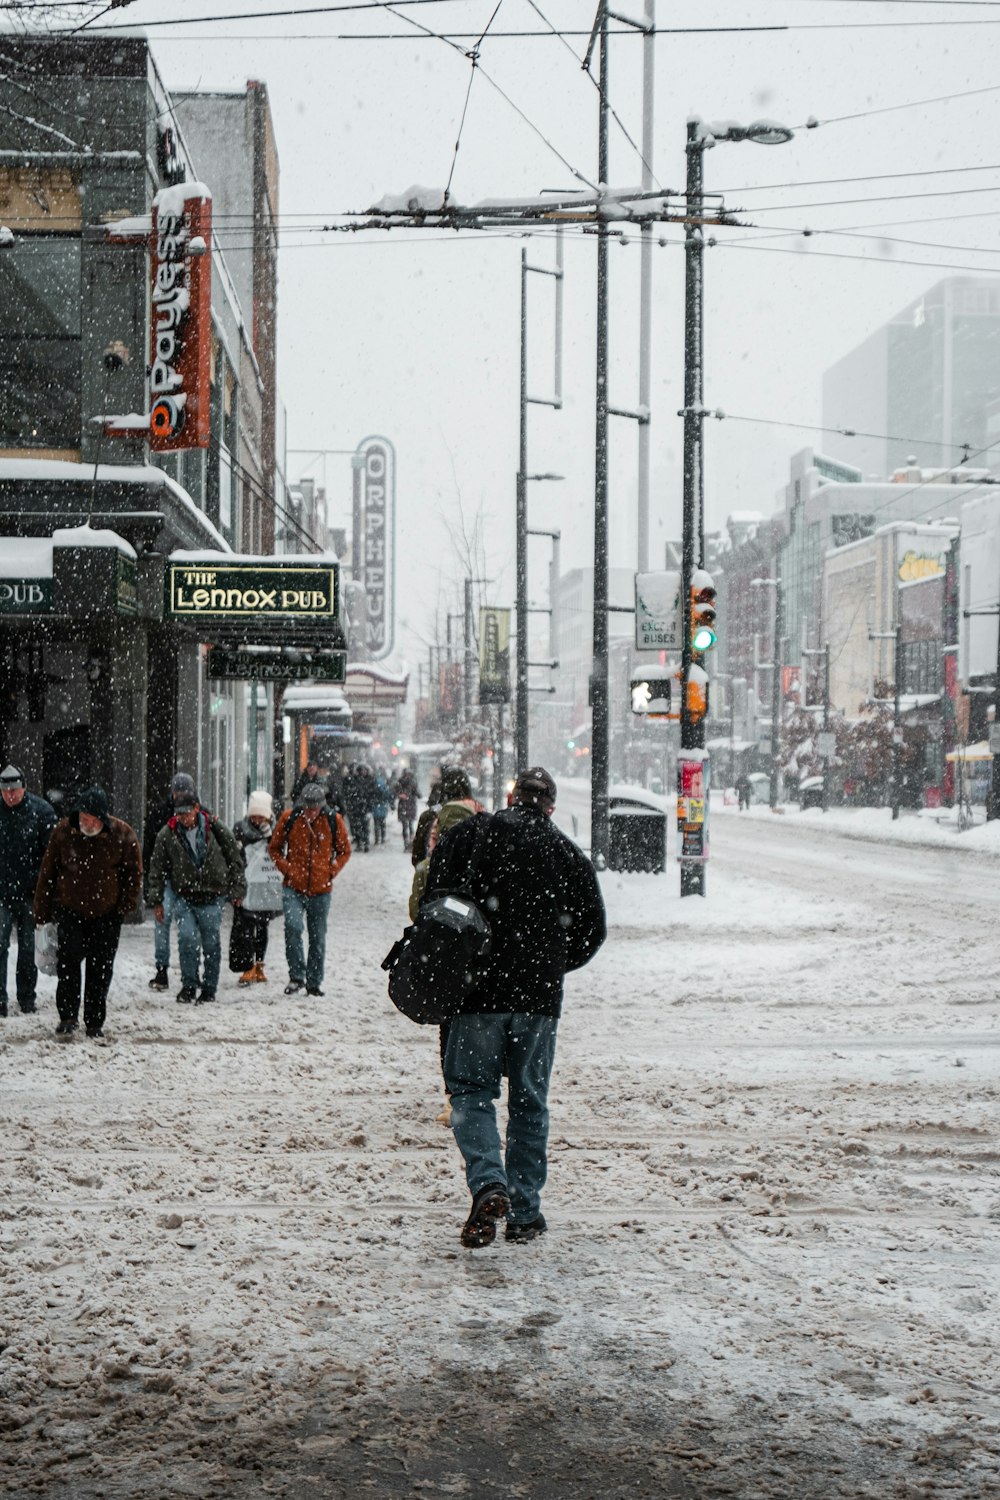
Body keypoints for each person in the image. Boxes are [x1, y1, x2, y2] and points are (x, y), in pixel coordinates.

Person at [423, 766, 606, 1249]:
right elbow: (593, 929)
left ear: (511, 796)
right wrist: (551, 964)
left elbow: (433, 900)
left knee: (470, 1093)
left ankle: (488, 1183)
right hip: (538, 1000)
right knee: (529, 1101)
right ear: (549, 805)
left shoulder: (471, 835)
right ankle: (525, 1212)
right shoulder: (566, 852)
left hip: (476, 990)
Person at [33, 785, 142, 1041]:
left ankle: (94, 1021)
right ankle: (67, 1017)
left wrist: (123, 907)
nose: (86, 822)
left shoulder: (123, 834)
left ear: (102, 818)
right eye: (83, 817)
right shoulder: (64, 832)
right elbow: (47, 874)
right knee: (68, 965)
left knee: (100, 969)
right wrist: (42, 913)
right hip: (70, 911)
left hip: (107, 915)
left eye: (91, 818)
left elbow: (134, 873)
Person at [147, 791, 246, 1006]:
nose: (184, 818)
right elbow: (157, 866)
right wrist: (156, 899)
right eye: (180, 813)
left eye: (187, 813)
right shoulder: (168, 833)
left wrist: (238, 889)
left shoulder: (215, 827)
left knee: (211, 943)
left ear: (196, 809)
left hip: (212, 895)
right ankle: (189, 984)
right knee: (187, 939)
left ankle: (209, 987)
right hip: (185, 895)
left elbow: (234, 857)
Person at [269, 782, 351, 996]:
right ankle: (297, 976)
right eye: (307, 808)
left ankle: (314, 982)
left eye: (314, 809)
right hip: (293, 887)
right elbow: (274, 848)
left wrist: (331, 871)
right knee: (293, 928)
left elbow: (345, 851)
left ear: (322, 807)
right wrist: (288, 869)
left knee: (317, 937)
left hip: (321, 890)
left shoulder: (334, 820)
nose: (311, 813)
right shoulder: (290, 818)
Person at [0, 764, 57, 1018]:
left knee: (27, 948)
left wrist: (43, 887)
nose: (10, 795)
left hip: (29, 893)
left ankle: (26, 997)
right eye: (6, 791)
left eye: (14, 790)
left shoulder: (42, 812)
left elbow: (50, 856)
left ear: (24, 788)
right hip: (2, 892)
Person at [144, 771, 199, 992]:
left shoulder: (160, 815)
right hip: (176, 878)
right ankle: (170, 970)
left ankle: (170, 970)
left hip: (182, 879)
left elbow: (149, 849)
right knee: (175, 925)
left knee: (172, 925)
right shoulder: (198, 814)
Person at [232, 790, 278, 986]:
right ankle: (247, 966)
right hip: (246, 884)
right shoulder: (240, 829)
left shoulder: (275, 830)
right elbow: (234, 856)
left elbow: (278, 852)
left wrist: (270, 838)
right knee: (245, 926)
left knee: (262, 926)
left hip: (265, 886)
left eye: (261, 816)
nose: (258, 820)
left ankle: (259, 964)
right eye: (255, 815)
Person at [342, 763, 372, 852]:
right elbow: (347, 792)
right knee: (358, 826)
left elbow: (370, 795)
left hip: (363, 807)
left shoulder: (368, 781)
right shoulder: (352, 780)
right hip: (356, 807)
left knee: (364, 826)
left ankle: (365, 843)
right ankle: (360, 843)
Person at [396, 768, 419, 851]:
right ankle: (410, 844)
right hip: (410, 806)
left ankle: (406, 844)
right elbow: (418, 794)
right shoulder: (413, 783)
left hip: (403, 806)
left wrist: (400, 795)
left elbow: (395, 792)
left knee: (405, 826)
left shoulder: (400, 782)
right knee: (410, 826)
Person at [371, 767, 391, 846]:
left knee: (376, 823)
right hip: (382, 805)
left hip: (376, 805)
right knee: (383, 823)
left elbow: (371, 794)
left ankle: (377, 839)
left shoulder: (374, 783)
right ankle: (382, 838)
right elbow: (388, 794)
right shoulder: (384, 784)